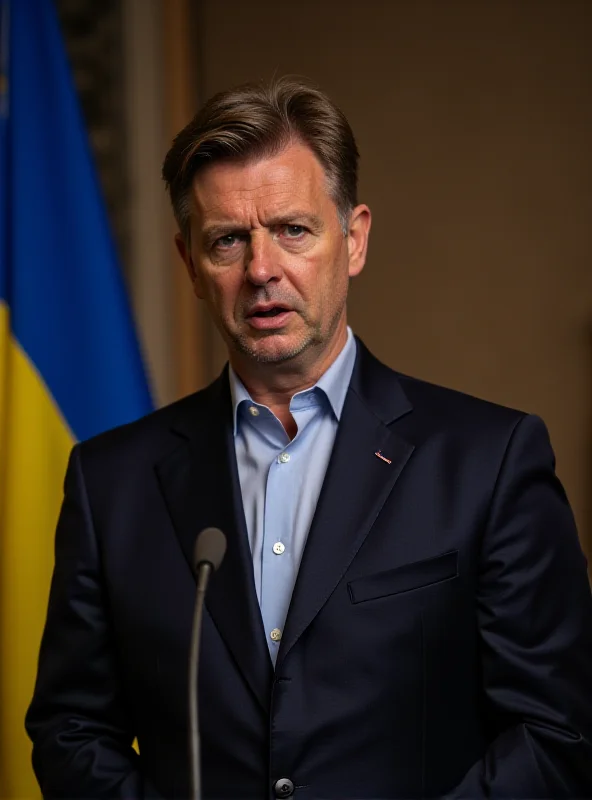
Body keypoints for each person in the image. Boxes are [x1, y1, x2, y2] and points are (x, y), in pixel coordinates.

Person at [26, 78, 592, 800]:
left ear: (352, 239)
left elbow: (559, 732)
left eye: (292, 229)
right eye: (227, 240)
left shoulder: (489, 461)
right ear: (191, 265)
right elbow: (72, 730)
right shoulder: (111, 483)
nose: (261, 270)